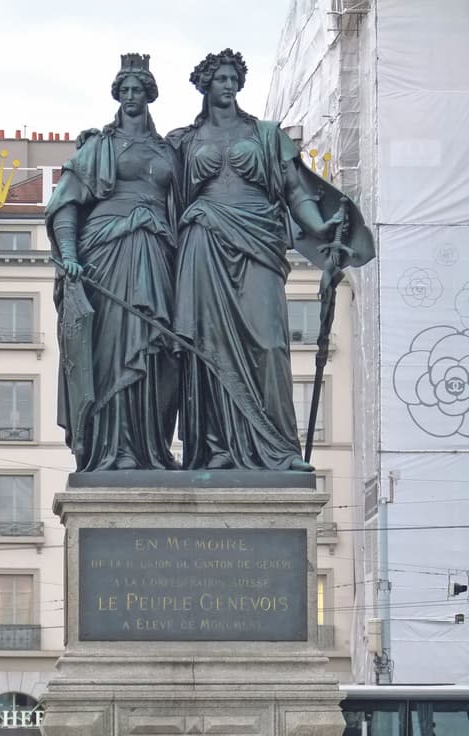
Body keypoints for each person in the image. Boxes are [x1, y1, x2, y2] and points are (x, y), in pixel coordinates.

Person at [167, 49, 374, 471]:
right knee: (206, 346)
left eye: (233, 79)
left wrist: (318, 227)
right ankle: (215, 447)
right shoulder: (183, 141)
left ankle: (278, 450)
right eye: (221, 79)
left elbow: (296, 190)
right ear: (206, 85)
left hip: (258, 238)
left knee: (270, 343)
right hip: (203, 237)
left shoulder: (266, 133)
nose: (228, 86)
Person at [46, 54, 180, 471]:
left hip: (157, 251)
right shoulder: (98, 146)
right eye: (125, 90)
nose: (131, 97)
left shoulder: (168, 149)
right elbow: (66, 203)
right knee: (114, 349)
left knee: (155, 347)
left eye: (139, 90)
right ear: (117, 96)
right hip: (107, 251)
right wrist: (69, 255)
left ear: (150, 95)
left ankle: (151, 448)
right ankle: (114, 447)